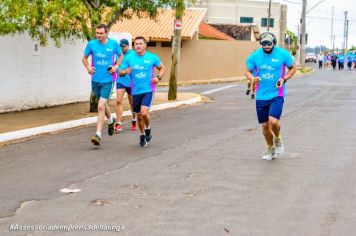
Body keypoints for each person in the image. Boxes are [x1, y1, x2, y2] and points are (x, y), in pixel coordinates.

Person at [245, 32, 297, 160]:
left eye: (269, 43)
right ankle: (270, 148)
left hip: (277, 94)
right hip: (261, 95)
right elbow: (247, 71)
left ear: (274, 42)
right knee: (265, 125)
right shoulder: (254, 56)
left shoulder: (283, 54)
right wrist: (252, 78)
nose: (267, 46)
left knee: (273, 121)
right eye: (264, 43)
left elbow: (293, 68)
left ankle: (278, 138)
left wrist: (284, 79)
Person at [82, 24, 123, 146]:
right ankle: (111, 120)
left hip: (108, 80)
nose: (99, 35)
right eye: (97, 33)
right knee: (103, 104)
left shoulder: (113, 44)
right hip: (95, 80)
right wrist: (88, 67)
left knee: (100, 106)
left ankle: (98, 135)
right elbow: (84, 58)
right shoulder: (92, 44)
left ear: (106, 33)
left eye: (101, 33)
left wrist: (116, 66)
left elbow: (121, 55)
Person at [120, 36, 165, 147]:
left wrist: (158, 78)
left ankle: (148, 127)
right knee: (139, 116)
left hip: (148, 89)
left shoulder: (152, 57)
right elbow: (120, 72)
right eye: (136, 44)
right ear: (134, 46)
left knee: (144, 113)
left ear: (145, 45)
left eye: (140, 43)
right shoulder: (129, 58)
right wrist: (125, 71)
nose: (138, 46)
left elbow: (162, 68)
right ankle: (143, 134)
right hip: (135, 91)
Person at [115, 38, 137, 133]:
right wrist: (118, 71)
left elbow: (133, 68)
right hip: (120, 81)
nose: (122, 48)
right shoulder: (118, 55)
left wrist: (125, 71)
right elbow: (115, 66)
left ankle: (134, 120)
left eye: (123, 46)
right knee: (118, 101)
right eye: (120, 46)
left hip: (131, 82)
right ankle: (119, 123)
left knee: (132, 103)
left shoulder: (133, 55)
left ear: (128, 46)